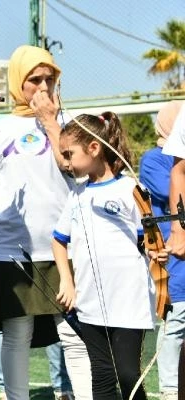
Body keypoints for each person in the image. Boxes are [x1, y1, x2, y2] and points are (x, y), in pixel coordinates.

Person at [0, 45, 91, 400]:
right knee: (17, 334)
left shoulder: (69, 125)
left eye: (50, 79)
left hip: (64, 247)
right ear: (18, 83)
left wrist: (51, 122)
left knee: (73, 333)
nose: (43, 87)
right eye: (34, 80)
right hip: (12, 249)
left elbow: (74, 168)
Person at [52, 112, 165, 400]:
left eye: (70, 153)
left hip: (129, 301)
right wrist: (67, 281)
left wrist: (157, 254)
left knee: (128, 375)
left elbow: (150, 240)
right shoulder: (76, 195)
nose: (65, 161)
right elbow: (59, 240)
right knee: (101, 376)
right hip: (89, 302)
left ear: (94, 148)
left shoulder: (130, 189)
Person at [150, 101, 185, 400]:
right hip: (175, 253)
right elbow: (167, 189)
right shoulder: (154, 159)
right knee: (176, 321)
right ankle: (170, 389)